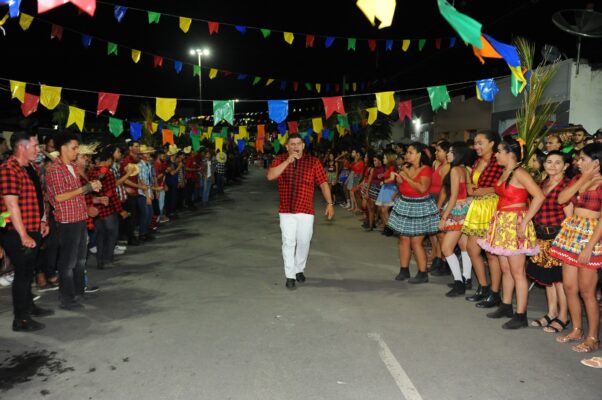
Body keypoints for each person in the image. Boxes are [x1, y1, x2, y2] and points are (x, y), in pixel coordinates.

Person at [477, 137, 545, 329]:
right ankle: (506, 305)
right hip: (502, 221)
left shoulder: (520, 173)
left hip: (515, 223)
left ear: (510, 153)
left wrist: (525, 221)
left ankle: (521, 314)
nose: (496, 155)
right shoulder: (505, 171)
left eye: (499, 151)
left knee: (518, 272)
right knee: (506, 269)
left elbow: (539, 196)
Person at [550, 143, 602, 353]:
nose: (577, 162)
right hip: (572, 234)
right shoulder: (577, 180)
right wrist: (583, 178)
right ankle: (577, 329)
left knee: (587, 291)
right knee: (570, 287)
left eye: (583, 159)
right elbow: (561, 199)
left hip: (592, 237)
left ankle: (593, 337)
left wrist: (589, 247)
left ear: (596, 162)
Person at [0, 131, 53, 331]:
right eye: (35, 145)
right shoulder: (8, 169)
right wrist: (23, 235)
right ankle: (20, 319)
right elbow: (11, 205)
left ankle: (29, 307)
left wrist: (43, 221)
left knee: (28, 271)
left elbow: (40, 198)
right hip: (15, 231)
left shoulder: (31, 167)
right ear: (21, 147)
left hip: (33, 227)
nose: (38, 149)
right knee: (22, 273)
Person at [267, 134, 334, 290]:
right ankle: (290, 276)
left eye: (298, 143)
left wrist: (330, 203)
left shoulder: (313, 162)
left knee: (304, 241)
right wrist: (287, 161)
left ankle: (299, 269)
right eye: (292, 144)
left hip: (305, 210)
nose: (295, 146)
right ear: (287, 146)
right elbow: (271, 176)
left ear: (303, 145)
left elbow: (323, 183)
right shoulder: (280, 159)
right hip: (286, 210)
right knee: (288, 242)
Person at [45, 133, 101, 310]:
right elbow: (60, 197)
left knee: (80, 260)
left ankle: (78, 291)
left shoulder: (71, 167)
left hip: (79, 217)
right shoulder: (55, 170)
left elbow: (76, 194)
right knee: (68, 262)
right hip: (67, 221)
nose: (77, 151)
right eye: (74, 148)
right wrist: (86, 188)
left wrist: (90, 192)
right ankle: (66, 298)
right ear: (63, 148)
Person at [526, 151, 572, 333]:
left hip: (558, 236)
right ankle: (552, 312)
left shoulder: (567, 186)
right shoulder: (543, 184)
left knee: (560, 279)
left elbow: (569, 218)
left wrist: (563, 241)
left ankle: (563, 316)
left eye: (557, 162)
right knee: (548, 279)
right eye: (549, 162)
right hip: (541, 236)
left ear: (566, 166)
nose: (552, 165)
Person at [462, 131, 504, 307]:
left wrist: (486, 190)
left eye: (480, 143)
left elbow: (504, 184)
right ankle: (483, 287)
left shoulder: (500, 161)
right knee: (472, 248)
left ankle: (495, 293)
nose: (476, 146)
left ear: (492, 143)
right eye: (475, 143)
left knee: (491, 253)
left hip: (493, 206)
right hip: (477, 207)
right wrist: (472, 186)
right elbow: (473, 183)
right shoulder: (477, 161)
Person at [388, 142, 439, 284]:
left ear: (419, 154)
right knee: (403, 239)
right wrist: (399, 181)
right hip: (404, 204)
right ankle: (404, 270)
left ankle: (423, 273)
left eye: (410, 152)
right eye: (407, 152)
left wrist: (406, 178)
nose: (407, 155)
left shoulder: (426, 169)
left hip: (420, 206)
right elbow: (402, 185)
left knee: (417, 241)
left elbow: (423, 189)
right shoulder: (405, 167)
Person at [439, 143, 474, 296]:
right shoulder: (465, 169)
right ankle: (466, 278)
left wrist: (444, 216)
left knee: (446, 248)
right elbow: (470, 190)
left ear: (458, 154)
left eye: (452, 152)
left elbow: (453, 196)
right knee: (464, 245)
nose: (448, 154)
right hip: (467, 207)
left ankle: (458, 282)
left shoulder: (454, 170)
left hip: (457, 210)